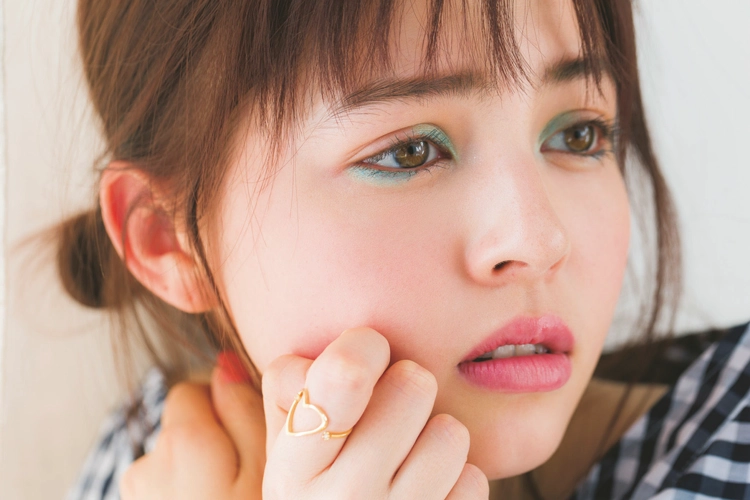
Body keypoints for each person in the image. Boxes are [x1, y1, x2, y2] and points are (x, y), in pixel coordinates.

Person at [58, 0, 750, 498]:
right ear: (167, 239)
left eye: (578, 135)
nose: (539, 241)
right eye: (410, 151)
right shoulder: (157, 462)